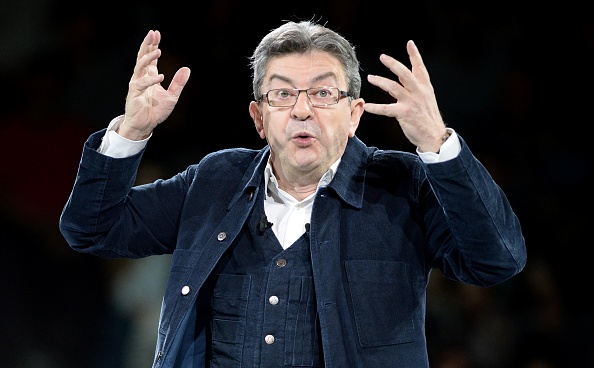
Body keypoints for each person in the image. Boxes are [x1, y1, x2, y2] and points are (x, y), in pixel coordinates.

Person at [59, 19, 527, 368]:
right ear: (259, 118)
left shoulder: (401, 184)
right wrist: (131, 133)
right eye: (282, 94)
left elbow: (496, 261)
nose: (302, 110)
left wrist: (438, 145)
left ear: (355, 113)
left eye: (323, 94)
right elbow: (92, 229)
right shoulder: (215, 180)